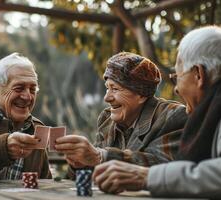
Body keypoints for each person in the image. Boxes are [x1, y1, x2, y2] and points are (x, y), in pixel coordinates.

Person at [93, 25, 221, 198]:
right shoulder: (107, 119)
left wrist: (145, 176)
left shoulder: (174, 116)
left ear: (198, 74)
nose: (176, 89)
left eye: (177, 77)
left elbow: (166, 162)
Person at [55, 52, 187, 172]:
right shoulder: (107, 119)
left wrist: (101, 156)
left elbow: (161, 166)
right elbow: (94, 172)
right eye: (107, 88)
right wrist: (81, 164)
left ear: (141, 94)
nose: (107, 98)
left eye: (115, 89)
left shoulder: (173, 116)